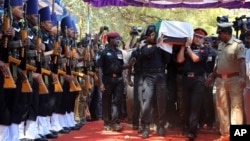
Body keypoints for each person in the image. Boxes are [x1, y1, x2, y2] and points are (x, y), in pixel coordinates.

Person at [206, 22, 246, 141]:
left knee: (237, 107)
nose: (218, 36)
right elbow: (218, 63)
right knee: (221, 107)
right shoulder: (221, 45)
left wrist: (243, 77)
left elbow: (242, 62)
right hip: (220, 80)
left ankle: (237, 135)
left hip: (234, 79)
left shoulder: (238, 45)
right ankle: (225, 135)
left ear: (226, 33)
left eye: (220, 33)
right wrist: (212, 76)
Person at [177, 28, 210, 140]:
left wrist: (187, 48)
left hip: (198, 80)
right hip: (186, 79)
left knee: (195, 106)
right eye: (196, 36)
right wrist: (183, 46)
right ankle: (186, 127)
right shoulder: (187, 48)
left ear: (203, 40)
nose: (198, 39)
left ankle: (192, 130)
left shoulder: (204, 50)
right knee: (186, 105)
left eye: (200, 37)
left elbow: (196, 59)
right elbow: (180, 60)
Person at [139, 24, 171, 139]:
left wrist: (163, 46)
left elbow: (167, 59)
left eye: (154, 34)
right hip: (148, 76)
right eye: (151, 35)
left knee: (161, 101)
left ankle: (161, 125)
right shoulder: (144, 45)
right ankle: (146, 127)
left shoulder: (162, 46)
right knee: (147, 101)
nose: (152, 37)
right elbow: (145, 54)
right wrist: (157, 45)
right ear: (147, 36)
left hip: (161, 75)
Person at [96, 32, 132, 132]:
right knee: (106, 101)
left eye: (118, 39)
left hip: (119, 79)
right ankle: (107, 123)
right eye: (116, 39)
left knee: (117, 101)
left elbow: (121, 66)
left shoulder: (119, 52)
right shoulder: (104, 52)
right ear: (111, 40)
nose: (118, 41)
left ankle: (115, 123)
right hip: (107, 79)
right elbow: (99, 68)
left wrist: (129, 65)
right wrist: (101, 83)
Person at [243, 31, 250, 124]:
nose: (248, 40)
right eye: (247, 38)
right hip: (248, 85)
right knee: (248, 110)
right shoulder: (247, 51)